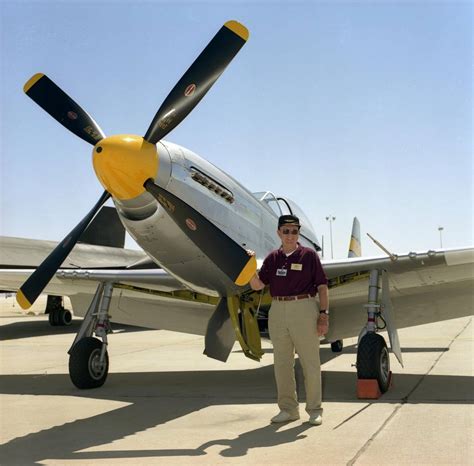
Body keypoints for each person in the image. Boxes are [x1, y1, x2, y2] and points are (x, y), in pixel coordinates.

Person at [248, 214, 329, 426]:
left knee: (310, 363)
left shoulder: (309, 256)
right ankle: (288, 410)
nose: (290, 235)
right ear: (279, 233)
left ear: (298, 233)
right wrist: (247, 266)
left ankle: (314, 410)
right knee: (282, 364)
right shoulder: (272, 258)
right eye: (286, 231)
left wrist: (323, 315)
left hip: (304, 308)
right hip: (277, 309)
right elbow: (257, 285)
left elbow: (322, 287)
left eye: (294, 231)